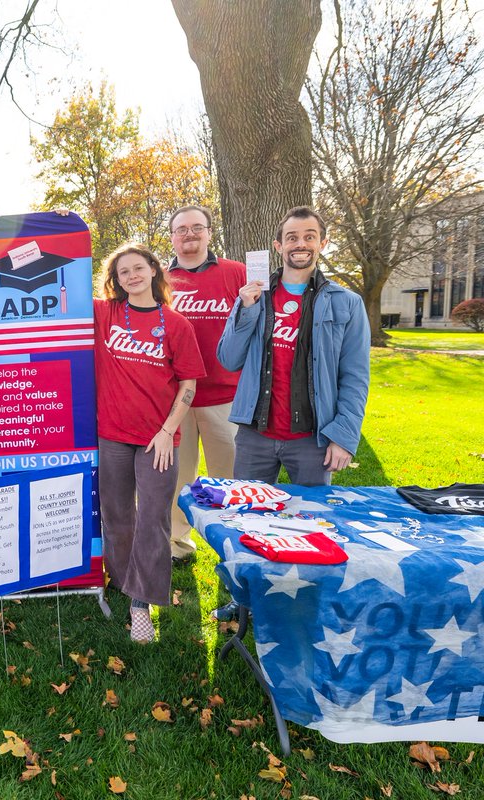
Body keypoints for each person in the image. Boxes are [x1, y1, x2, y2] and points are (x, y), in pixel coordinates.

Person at [93, 244, 205, 643]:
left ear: (154, 270)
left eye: (138, 268)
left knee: (155, 515)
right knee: (117, 514)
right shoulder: (104, 314)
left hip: (159, 438)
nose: (132, 276)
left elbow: (188, 384)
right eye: (123, 272)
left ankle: (142, 604)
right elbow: (62, 288)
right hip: (112, 435)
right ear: (116, 280)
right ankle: (124, 582)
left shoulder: (176, 325)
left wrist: (166, 431)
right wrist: (61, 225)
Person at [217, 207, 370, 487]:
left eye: (309, 237)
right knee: (249, 520)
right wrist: (246, 310)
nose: (300, 244)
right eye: (292, 237)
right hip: (255, 435)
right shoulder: (254, 297)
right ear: (279, 246)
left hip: (313, 438)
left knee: (313, 522)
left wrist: (343, 436)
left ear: (322, 244)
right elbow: (228, 359)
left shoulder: (347, 303)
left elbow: (355, 377)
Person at [164, 205, 246, 564]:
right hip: (175, 398)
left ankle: (234, 543)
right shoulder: (159, 281)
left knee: (227, 478)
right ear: (172, 237)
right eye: (181, 230)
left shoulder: (235, 274)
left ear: (210, 233)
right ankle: (176, 543)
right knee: (177, 477)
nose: (190, 235)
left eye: (197, 228)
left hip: (224, 395)